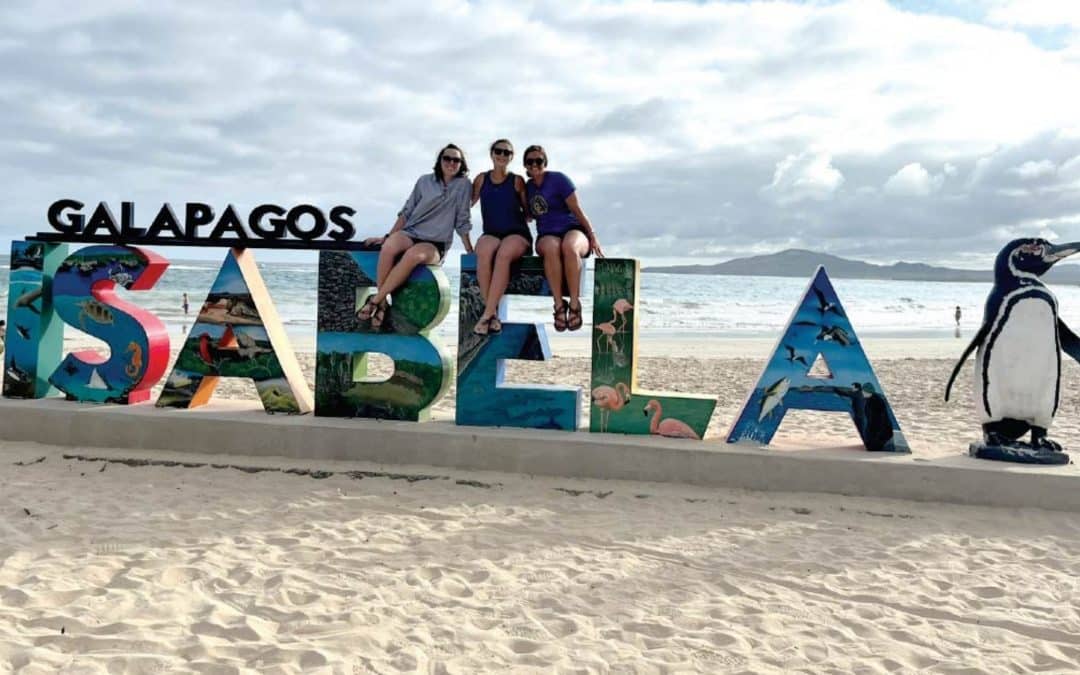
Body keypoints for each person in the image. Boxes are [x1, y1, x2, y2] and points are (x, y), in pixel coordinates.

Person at [361, 143, 474, 329]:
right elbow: (407, 212)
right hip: (412, 232)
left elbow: (463, 219)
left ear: (462, 164)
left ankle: (376, 300)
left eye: (457, 160)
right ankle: (382, 303)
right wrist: (388, 236)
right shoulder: (424, 181)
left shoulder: (463, 185)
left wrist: (469, 248)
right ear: (440, 161)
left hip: (436, 243)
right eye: (447, 158)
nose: (452, 163)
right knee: (389, 246)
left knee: (414, 255)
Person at [523, 145, 603, 332]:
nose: (534, 165)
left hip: (573, 229)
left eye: (538, 161)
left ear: (545, 162)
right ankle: (559, 305)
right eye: (530, 161)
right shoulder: (528, 188)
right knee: (551, 247)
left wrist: (592, 236)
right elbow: (527, 215)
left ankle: (574, 304)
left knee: (570, 247)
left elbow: (577, 210)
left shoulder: (559, 179)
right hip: (547, 234)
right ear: (525, 165)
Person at [471, 139, 531, 335]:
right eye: (499, 151)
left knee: (504, 253)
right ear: (491, 153)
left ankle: (487, 314)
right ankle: (493, 315)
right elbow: (466, 204)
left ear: (512, 157)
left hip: (517, 234)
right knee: (483, 250)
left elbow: (529, 213)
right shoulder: (481, 180)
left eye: (507, 153)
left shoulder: (517, 181)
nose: (502, 155)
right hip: (492, 234)